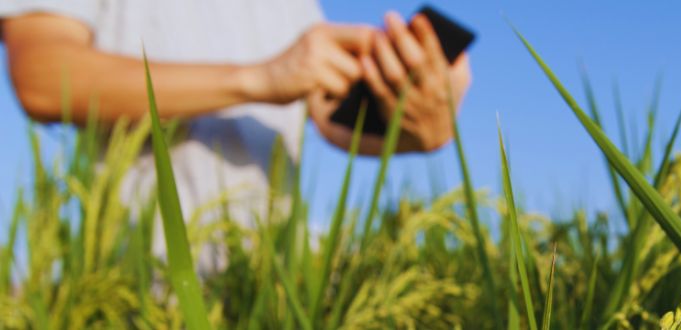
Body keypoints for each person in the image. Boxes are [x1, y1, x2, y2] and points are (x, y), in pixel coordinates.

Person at [0, 1, 471, 266]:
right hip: (136, 275)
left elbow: (328, 113)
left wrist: (419, 125)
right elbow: (42, 77)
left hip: (265, 281)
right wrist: (257, 79)